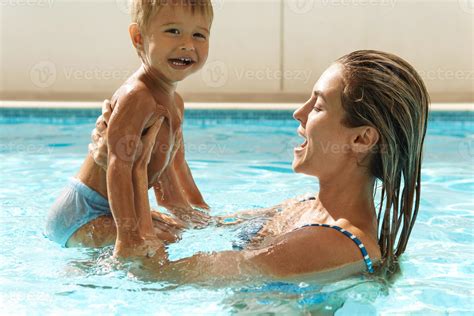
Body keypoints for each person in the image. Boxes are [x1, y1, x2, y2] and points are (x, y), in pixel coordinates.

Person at [131, 50, 429, 281]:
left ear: (362, 139)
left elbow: (160, 274)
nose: (299, 113)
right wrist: (162, 136)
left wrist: (130, 167)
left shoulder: (330, 243)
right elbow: (197, 221)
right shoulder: (303, 207)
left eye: (319, 106)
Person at [45, 0, 214, 258]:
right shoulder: (138, 96)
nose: (187, 44)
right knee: (161, 240)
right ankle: (89, 271)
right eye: (173, 31)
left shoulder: (175, 103)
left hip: (110, 208)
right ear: (138, 37)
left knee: (175, 231)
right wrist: (128, 237)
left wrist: (199, 212)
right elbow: (118, 167)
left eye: (199, 34)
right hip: (81, 213)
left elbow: (177, 164)